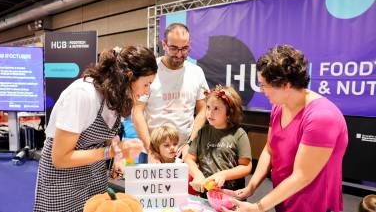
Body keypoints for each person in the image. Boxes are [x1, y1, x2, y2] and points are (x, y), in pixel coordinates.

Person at [222, 45, 348, 212]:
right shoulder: (279, 106)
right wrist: (251, 187)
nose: (261, 90)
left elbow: (302, 176)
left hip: (313, 205)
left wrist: (258, 207)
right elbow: (269, 149)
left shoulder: (322, 117)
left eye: (264, 85)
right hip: (283, 199)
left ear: (286, 85)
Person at [33, 46, 158, 212]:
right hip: (62, 181)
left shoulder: (118, 95)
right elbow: (60, 158)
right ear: (129, 77)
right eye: (146, 84)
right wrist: (112, 152)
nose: (146, 91)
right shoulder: (82, 94)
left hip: (94, 177)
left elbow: (110, 135)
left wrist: (119, 156)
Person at [133, 23, 209, 162]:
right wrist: (150, 148)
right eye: (174, 48)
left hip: (184, 152)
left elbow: (203, 110)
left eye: (184, 48)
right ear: (164, 44)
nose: (179, 54)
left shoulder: (197, 72)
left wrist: (191, 144)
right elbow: (137, 111)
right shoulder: (150, 71)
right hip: (152, 151)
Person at [185, 85, 252, 195]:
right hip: (205, 195)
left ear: (229, 113)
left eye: (216, 108)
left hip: (231, 197)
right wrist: (197, 174)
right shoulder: (202, 132)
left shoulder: (239, 134)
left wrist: (223, 175)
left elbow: (246, 166)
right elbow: (189, 159)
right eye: (208, 107)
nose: (210, 113)